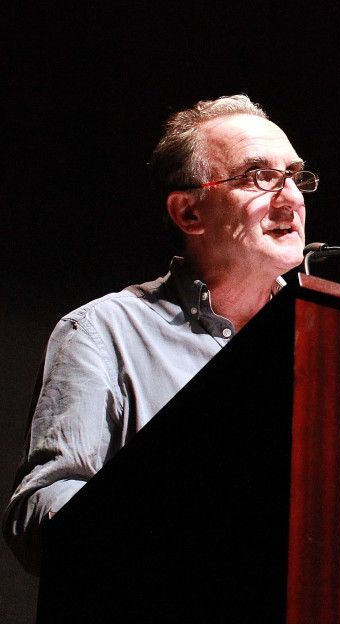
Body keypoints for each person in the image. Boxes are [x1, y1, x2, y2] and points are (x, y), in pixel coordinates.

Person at [3, 95, 316, 572]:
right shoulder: (103, 333)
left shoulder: (324, 342)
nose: (290, 197)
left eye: (294, 176)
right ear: (189, 213)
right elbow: (39, 518)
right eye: (260, 176)